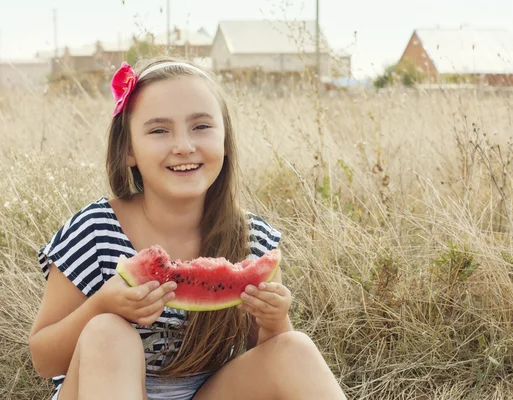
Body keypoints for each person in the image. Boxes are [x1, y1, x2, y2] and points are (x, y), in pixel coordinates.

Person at [28, 57, 347, 400]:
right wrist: (102, 305)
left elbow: (266, 358)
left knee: (294, 348)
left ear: (225, 140)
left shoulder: (252, 240)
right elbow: (44, 360)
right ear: (127, 150)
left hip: (203, 393)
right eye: (159, 130)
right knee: (108, 333)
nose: (183, 145)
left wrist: (275, 322)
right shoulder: (94, 231)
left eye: (201, 127)